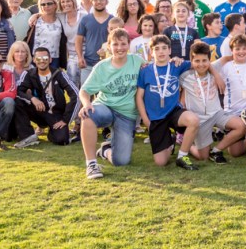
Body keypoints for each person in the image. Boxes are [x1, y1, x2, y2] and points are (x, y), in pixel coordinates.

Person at [79, 28, 144, 179]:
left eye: (123, 44)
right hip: (105, 108)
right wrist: (86, 104)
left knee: (121, 161)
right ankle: (91, 164)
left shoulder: (138, 61)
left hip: (127, 114)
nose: (119, 48)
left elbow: (155, 70)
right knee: (87, 115)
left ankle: (105, 150)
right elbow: (84, 91)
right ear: (108, 46)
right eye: (115, 44)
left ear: (129, 45)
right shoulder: (101, 67)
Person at [135, 35, 200, 171]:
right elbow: (139, 97)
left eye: (164, 48)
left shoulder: (177, 65)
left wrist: (180, 59)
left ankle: (182, 156)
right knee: (161, 162)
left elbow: (199, 63)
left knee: (193, 120)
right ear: (151, 52)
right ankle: (170, 141)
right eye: (157, 49)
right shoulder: (145, 70)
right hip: (156, 117)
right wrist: (146, 120)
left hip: (173, 111)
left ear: (170, 50)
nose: (161, 51)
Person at [180, 42, 246, 164]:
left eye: (204, 61)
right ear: (191, 60)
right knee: (202, 156)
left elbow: (227, 58)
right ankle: (187, 145)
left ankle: (216, 150)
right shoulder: (184, 76)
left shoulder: (214, 68)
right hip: (199, 119)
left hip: (217, 113)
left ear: (209, 60)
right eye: (197, 61)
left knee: (241, 126)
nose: (201, 64)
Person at [14, 46, 79, 148]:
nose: (42, 61)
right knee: (17, 101)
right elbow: (18, 91)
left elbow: (76, 94)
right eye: (39, 59)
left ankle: (52, 133)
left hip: (55, 113)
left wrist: (66, 120)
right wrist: (32, 98)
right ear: (34, 60)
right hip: (39, 110)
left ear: (50, 60)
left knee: (62, 140)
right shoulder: (29, 74)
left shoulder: (59, 74)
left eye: (45, 58)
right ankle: (28, 136)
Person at [75, 0, 113, 85]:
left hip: (108, 64)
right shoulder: (85, 20)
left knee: (105, 96)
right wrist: (80, 57)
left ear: (107, 1)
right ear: (91, 1)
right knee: (85, 94)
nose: (99, 2)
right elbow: (78, 40)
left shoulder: (113, 20)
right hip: (88, 64)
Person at [25, 0, 67, 72]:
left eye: (49, 3)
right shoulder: (35, 21)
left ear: (55, 5)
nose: (46, 6)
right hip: (36, 58)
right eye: (43, 4)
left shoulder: (60, 20)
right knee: (35, 82)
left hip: (54, 58)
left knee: (51, 82)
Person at [56, 0, 82, 87]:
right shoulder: (61, 16)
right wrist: (35, 16)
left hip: (85, 53)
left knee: (85, 84)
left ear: (73, 1)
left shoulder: (83, 16)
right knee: (72, 84)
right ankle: (75, 102)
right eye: (63, 2)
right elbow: (46, 14)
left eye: (68, 1)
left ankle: (87, 102)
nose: (65, 4)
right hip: (71, 55)